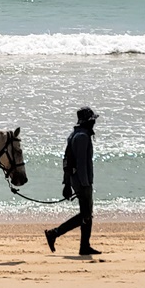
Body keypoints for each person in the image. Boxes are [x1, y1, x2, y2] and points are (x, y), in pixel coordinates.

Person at [45, 106, 102, 256]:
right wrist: (85, 184)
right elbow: (81, 164)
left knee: (86, 214)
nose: (94, 124)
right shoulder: (82, 137)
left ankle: (84, 246)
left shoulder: (74, 135)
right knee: (86, 214)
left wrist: (67, 183)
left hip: (76, 180)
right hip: (83, 181)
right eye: (92, 121)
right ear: (87, 122)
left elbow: (67, 162)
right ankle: (54, 233)